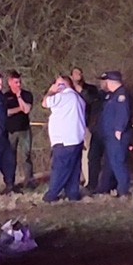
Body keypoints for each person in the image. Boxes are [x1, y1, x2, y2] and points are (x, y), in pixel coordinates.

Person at [41, 75, 86, 203]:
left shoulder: (64, 96)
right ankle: (72, 194)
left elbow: (45, 103)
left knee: (60, 169)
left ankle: (51, 195)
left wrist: (51, 91)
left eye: (58, 84)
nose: (56, 86)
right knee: (73, 170)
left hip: (64, 140)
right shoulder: (78, 98)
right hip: (76, 139)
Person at [95, 70, 133, 197]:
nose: (103, 84)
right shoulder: (111, 95)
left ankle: (123, 189)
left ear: (110, 81)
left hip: (117, 135)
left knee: (118, 161)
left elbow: (123, 113)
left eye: (104, 81)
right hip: (108, 135)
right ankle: (104, 187)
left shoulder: (121, 95)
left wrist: (119, 129)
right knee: (109, 163)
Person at [70, 67, 104, 189]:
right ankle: (76, 179)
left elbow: (94, 103)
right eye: (75, 73)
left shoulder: (90, 89)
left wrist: (82, 91)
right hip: (71, 127)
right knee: (72, 153)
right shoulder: (68, 90)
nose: (78, 75)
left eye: (80, 73)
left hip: (86, 125)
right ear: (71, 76)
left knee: (87, 153)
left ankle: (89, 180)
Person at [4, 70, 35, 191]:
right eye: (16, 82)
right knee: (10, 157)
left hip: (25, 130)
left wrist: (19, 96)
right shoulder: (5, 97)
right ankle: (10, 183)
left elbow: (27, 109)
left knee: (26, 156)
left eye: (19, 82)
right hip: (11, 131)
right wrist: (19, 108)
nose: (18, 84)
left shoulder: (27, 95)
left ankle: (29, 181)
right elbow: (6, 112)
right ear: (10, 82)